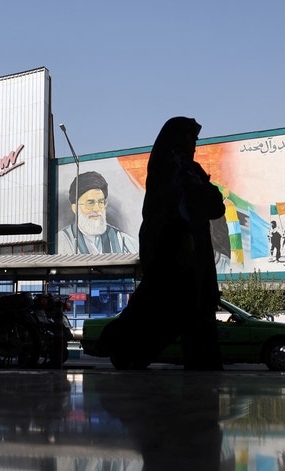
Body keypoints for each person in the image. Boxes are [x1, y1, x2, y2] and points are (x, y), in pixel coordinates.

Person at [97, 116, 225, 370]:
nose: (194, 144)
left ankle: (201, 366)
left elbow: (214, 206)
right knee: (162, 304)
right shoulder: (167, 167)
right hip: (170, 247)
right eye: (190, 138)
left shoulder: (191, 170)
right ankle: (123, 346)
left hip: (194, 250)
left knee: (195, 309)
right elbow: (171, 207)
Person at [57, 171, 138, 254]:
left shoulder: (121, 240)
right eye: (90, 203)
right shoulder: (61, 241)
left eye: (101, 202)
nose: (96, 209)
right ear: (75, 208)